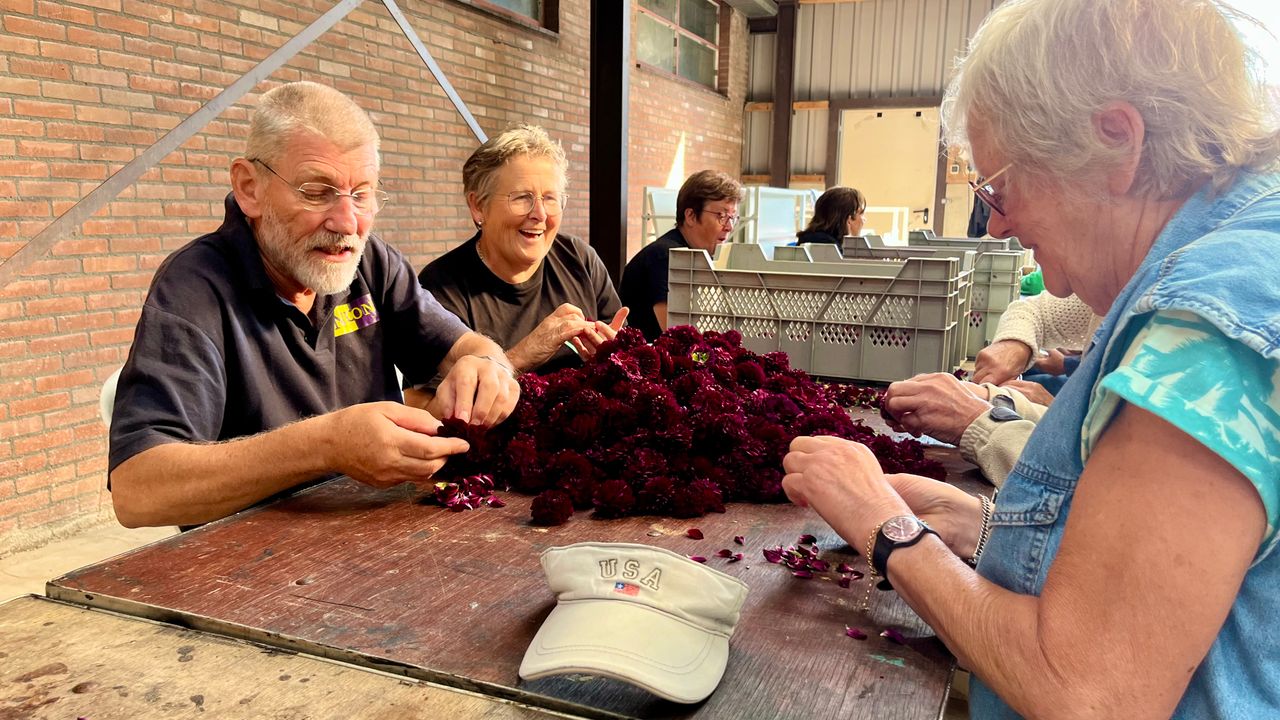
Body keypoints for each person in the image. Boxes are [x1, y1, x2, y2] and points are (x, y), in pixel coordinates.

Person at [782, 1, 1280, 717]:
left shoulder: (1211, 324)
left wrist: (883, 525)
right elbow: (1176, 597)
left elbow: (1088, 691)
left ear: (1117, 140)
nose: (1000, 224)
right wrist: (988, 532)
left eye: (1001, 189)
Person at [109, 82, 520, 529]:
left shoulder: (373, 263)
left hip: (377, 535)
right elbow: (138, 493)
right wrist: (326, 445)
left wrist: (488, 365)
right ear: (250, 188)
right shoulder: (194, 287)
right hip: (247, 568)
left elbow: (469, 346)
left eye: (362, 194)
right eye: (316, 191)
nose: (347, 223)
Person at [414, 125, 626, 385]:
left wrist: (615, 358)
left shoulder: (579, 259)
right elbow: (431, 405)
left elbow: (625, 356)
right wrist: (524, 355)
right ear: (478, 206)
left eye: (550, 198)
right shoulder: (441, 287)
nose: (540, 214)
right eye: (522, 197)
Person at [619, 170, 744, 340]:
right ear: (691, 216)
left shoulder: (698, 256)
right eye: (721, 216)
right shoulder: (665, 257)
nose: (729, 227)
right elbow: (677, 337)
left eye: (733, 217)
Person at [972, 291, 1100, 387]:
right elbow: (1034, 310)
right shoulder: (1102, 297)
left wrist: (1067, 364)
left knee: (1031, 382)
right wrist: (1017, 344)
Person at [795, 186, 866, 245]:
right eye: (861, 214)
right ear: (849, 219)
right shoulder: (828, 246)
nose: (864, 220)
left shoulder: (809, 239)